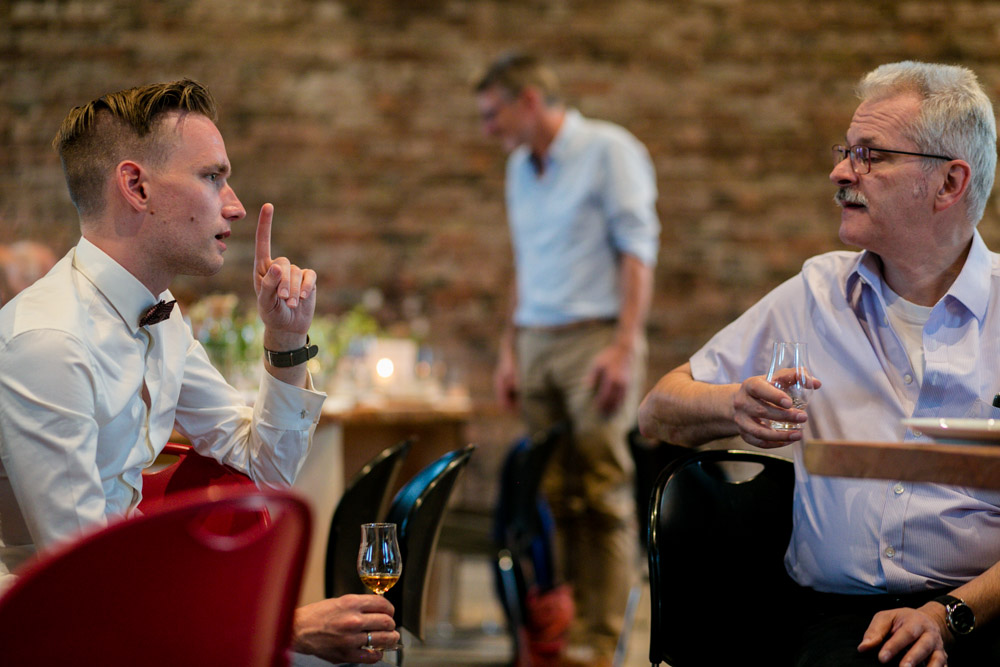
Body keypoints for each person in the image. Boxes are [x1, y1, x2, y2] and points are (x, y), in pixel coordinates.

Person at [0, 79, 398, 664]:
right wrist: (276, 623)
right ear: (136, 186)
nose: (234, 204)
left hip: (127, 615)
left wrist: (285, 340)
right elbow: (80, 582)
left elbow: (262, 468)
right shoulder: (48, 342)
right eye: (213, 177)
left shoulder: (160, 316)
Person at [638, 61, 1000, 667]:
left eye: (870, 155)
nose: (840, 172)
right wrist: (731, 404)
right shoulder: (815, 292)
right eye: (846, 152)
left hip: (980, 613)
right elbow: (656, 411)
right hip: (836, 623)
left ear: (949, 183)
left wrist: (949, 615)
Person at [475, 52, 660, 666]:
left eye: (493, 113)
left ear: (530, 99)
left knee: (601, 494)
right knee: (549, 498)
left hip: (593, 337)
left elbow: (638, 252)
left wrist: (624, 345)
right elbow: (524, 264)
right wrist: (509, 349)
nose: (487, 129)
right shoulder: (519, 170)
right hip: (535, 342)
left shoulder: (610, 150)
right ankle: (562, 634)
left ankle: (599, 646)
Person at [0, 240, 58, 306]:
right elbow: (24, 292)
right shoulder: (11, 274)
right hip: (45, 289)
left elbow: (45, 254)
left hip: (53, 275)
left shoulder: (20, 248)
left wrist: (53, 272)